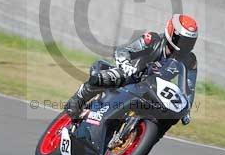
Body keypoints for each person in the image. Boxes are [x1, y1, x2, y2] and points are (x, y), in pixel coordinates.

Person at [64, 14, 198, 125]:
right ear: (171, 32)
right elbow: (124, 51)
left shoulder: (190, 61)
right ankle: (76, 100)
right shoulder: (152, 40)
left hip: (154, 92)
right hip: (132, 77)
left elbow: (188, 89)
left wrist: (186, 110)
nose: (186, 45)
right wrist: (125, 64)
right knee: (107, 77)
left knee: (167, 118)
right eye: (183, 40)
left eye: (189, 42)